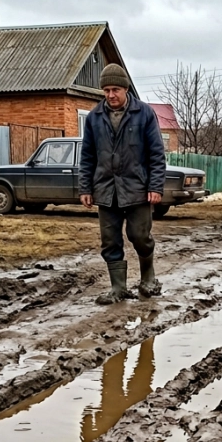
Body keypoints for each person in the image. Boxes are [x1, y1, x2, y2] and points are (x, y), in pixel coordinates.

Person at [79, 64, 166, 305]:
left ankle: (148, 279)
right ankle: (118, 288)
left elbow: (156, 154)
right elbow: (87, 156)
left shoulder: (145, 114)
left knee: (139, 235)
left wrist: (155, 187)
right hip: (106, 190)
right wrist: (85, 188)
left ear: (125, 89)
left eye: (115, 89)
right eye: (106, 90)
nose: (110, 95)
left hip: (137, 188)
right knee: (110, 240)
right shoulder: (94, 118)